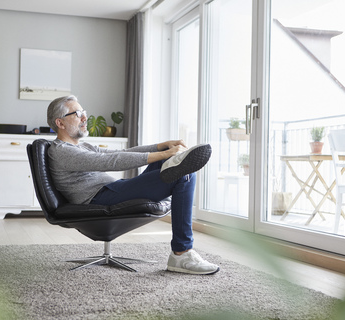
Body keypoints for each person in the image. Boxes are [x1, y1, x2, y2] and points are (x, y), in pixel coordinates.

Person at [46, 95, 219, 275]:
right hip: (100, 198)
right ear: (60, 123)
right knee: (183, 173)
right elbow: (112, 161)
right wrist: (163, 153)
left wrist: (161, 147)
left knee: (177, 165)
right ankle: (182, 253)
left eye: (84, 113)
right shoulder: (62, 151)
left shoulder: (83, 146)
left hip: (114, 190)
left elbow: (121, 152)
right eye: (78, 113)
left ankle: (182, 252)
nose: (84, 118)